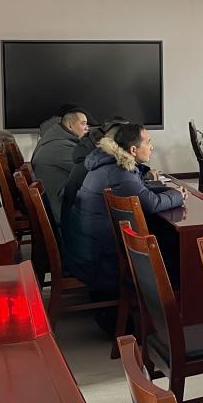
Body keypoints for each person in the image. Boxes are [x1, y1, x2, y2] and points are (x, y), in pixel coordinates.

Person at [62, 124, 184, 296]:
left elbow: (140, 190)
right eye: (148, 142)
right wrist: (177, 195)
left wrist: (169, 191)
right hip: (100, 263)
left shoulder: (108, 163)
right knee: (175, 247)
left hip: (86, 253)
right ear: (133, 149)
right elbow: (151, 203)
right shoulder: (119, 173)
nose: (152, 147)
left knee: (165, 235)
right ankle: (169, 301)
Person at [60, 119, 130, 225]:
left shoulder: (93, 159)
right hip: (86, 230)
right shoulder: (104, 166)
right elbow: (135, 194)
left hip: (75, 228)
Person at [31, 106, 90, 223]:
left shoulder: (54, 139)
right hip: (62, 211)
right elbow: (90, 170)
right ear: (70, 126)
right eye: (83, 123)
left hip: (57, 204)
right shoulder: (61, 147)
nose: (87, 128)